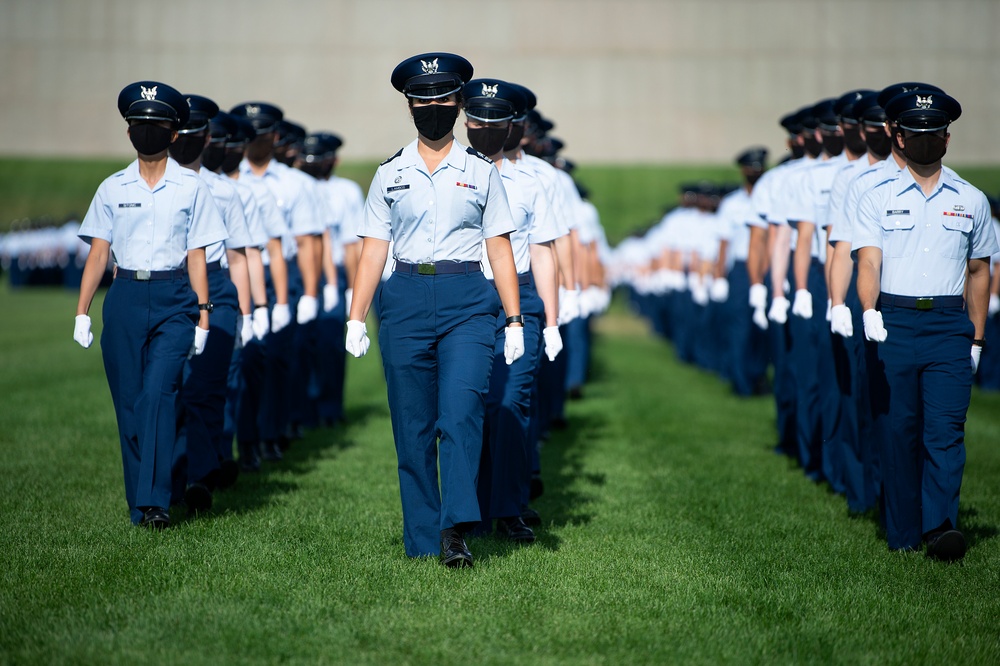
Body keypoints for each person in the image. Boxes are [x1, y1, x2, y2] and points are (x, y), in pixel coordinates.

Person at [345, 53, 524, 568]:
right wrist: (356, 316)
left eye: (443, 99)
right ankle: (423, 538)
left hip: (467, 299)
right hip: (403, 299)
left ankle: (455, 529)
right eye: (422, 101)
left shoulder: (481, 173)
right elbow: (374, 248)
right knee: (413, 424)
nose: (433, 108)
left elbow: (499, 247)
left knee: (462, 414)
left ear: (458, 103)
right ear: (410, 106)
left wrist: (513, 319)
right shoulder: (388, 174)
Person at [73, 81, 227, 528]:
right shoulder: (111, 186)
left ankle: (155, 502)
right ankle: (140, 502)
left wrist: (203, 314)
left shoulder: (192, 188)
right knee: (130, 404)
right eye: (139, 124)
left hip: (174, 298)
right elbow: (98, 253)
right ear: (128, 133)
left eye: (156, 125)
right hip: (124, 298)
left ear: (174, 133)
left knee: (159, 393)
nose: (147, 131)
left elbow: (197, 254)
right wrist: (82, 312)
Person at [853, 89, 998, 561]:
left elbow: (979, 272)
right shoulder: (876, 194)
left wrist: (976, 337)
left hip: (947, 327)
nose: (925, 141)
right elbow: (869, 261)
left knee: (945, 431)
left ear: (947, 140)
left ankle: (939, 528)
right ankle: (902, 533)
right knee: (898, 429)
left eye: (933, 134)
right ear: (897, 136)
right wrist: (870, 309)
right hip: (893, 320)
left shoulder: (971, 200)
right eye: (915, 134)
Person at [460, 78, 562, 544]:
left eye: (493, 123)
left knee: (510, 403)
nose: (484, 129)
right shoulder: (452, 173)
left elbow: (543, 251)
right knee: (470, 404)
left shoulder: (531, 181)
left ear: (510, 128)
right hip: (466, 294)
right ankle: (470, 508)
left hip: (519, 297)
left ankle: (509, 507)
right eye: (476, 121)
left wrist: (553, 321)